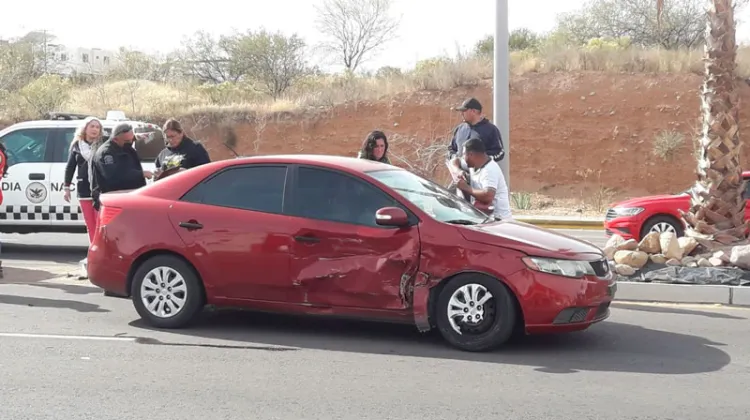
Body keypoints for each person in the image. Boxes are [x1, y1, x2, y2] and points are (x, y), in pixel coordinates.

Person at [447, 97, 505, 200]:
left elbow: (500, 152)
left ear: (473, 111)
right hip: (460, 176)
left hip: (480, 178)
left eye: (464, 111)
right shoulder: (460, 129)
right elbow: (451, 149)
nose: (461, 114)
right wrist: (457, 161)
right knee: (447, 200)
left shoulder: (491, 129)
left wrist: (481, 162)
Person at [90, 123, 153, 211]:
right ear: (115, 139)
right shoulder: (106, 153)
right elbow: (113, 176)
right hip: (113, 202)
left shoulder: (124, 146)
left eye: (132, 139)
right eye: (127, 141)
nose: (131, 142)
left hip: (128, 199)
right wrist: (140, 174)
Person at [449, 138, 512, 221]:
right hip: (485, 218)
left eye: (464, 154)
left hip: (498, 220)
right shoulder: (473, 164)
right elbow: (454, 161)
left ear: (471, 155)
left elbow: (488, 195)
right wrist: (458, 171)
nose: (463, 158)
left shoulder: (489, 170)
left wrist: (466, 188)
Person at [63, 117, 103, 244]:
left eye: (97, 127)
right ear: (85, 128)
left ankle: (102, 251)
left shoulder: (103, 144)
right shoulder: (76, 145)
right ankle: (93, 250)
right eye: (92, 126)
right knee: (90, 224)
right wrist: (66, 188)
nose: (95, 129)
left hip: (100, 189)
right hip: (84, 189)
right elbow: (70, 167)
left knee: (100, 223)